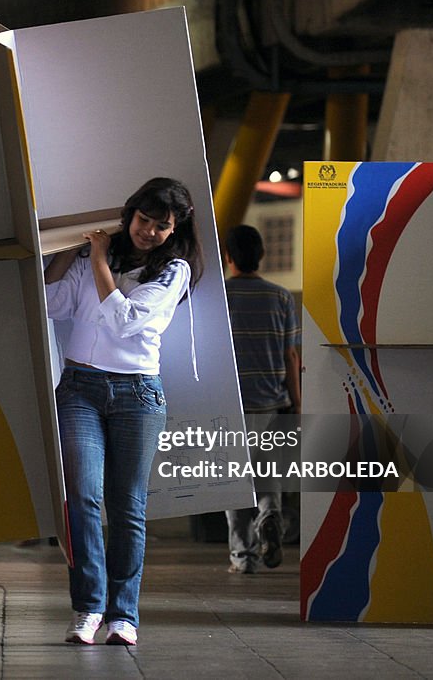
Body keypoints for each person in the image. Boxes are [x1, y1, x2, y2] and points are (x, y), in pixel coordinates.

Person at [44, 177, 204, 646]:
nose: (149, 231)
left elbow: (127, 320)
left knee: (127, 507)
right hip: (79, 387)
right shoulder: (95, 258)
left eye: (161, 225)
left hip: (137, 395)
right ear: (129, 215)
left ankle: (123, 615)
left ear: (175, 230)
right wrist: (67, 250)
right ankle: (88, 609)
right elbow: (52, 304)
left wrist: (95, 258)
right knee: (83, 499)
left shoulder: (172, 271)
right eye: (144, 220)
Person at [222, 224, 301, 574]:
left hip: (232, 404)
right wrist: (296, 403)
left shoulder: (220, 296)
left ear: (229, 257)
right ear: (261, 257)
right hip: (271, 402)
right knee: (269, 476)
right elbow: (291, 357)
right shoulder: (281, 297)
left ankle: (244, 557)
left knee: (235, 480)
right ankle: (270, 519)